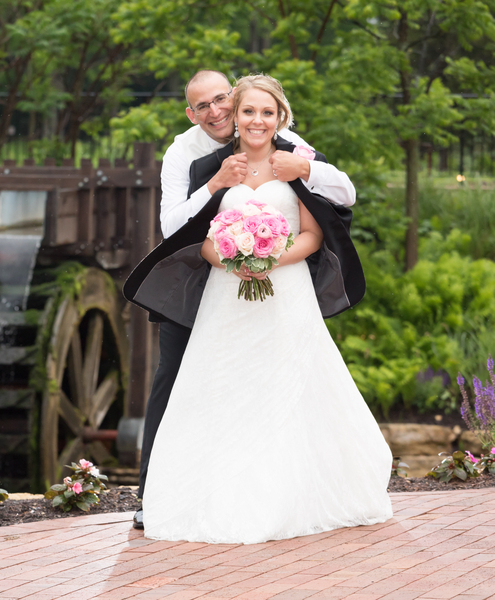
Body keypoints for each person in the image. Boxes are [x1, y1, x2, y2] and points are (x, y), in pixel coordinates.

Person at [134, 74, 392, 544]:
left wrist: (268, 257)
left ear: (276, 116)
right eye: (207, 106)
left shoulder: (292, 153)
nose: (246, 117)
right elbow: (186, 232)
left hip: (285, 288)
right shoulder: (193, 160)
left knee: (287, 382)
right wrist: (233, 254)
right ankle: (163, 491)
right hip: (221, 291)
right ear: (196, 113)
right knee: (194, 381)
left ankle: (287, 491)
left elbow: (328, 213)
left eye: (261, 112)